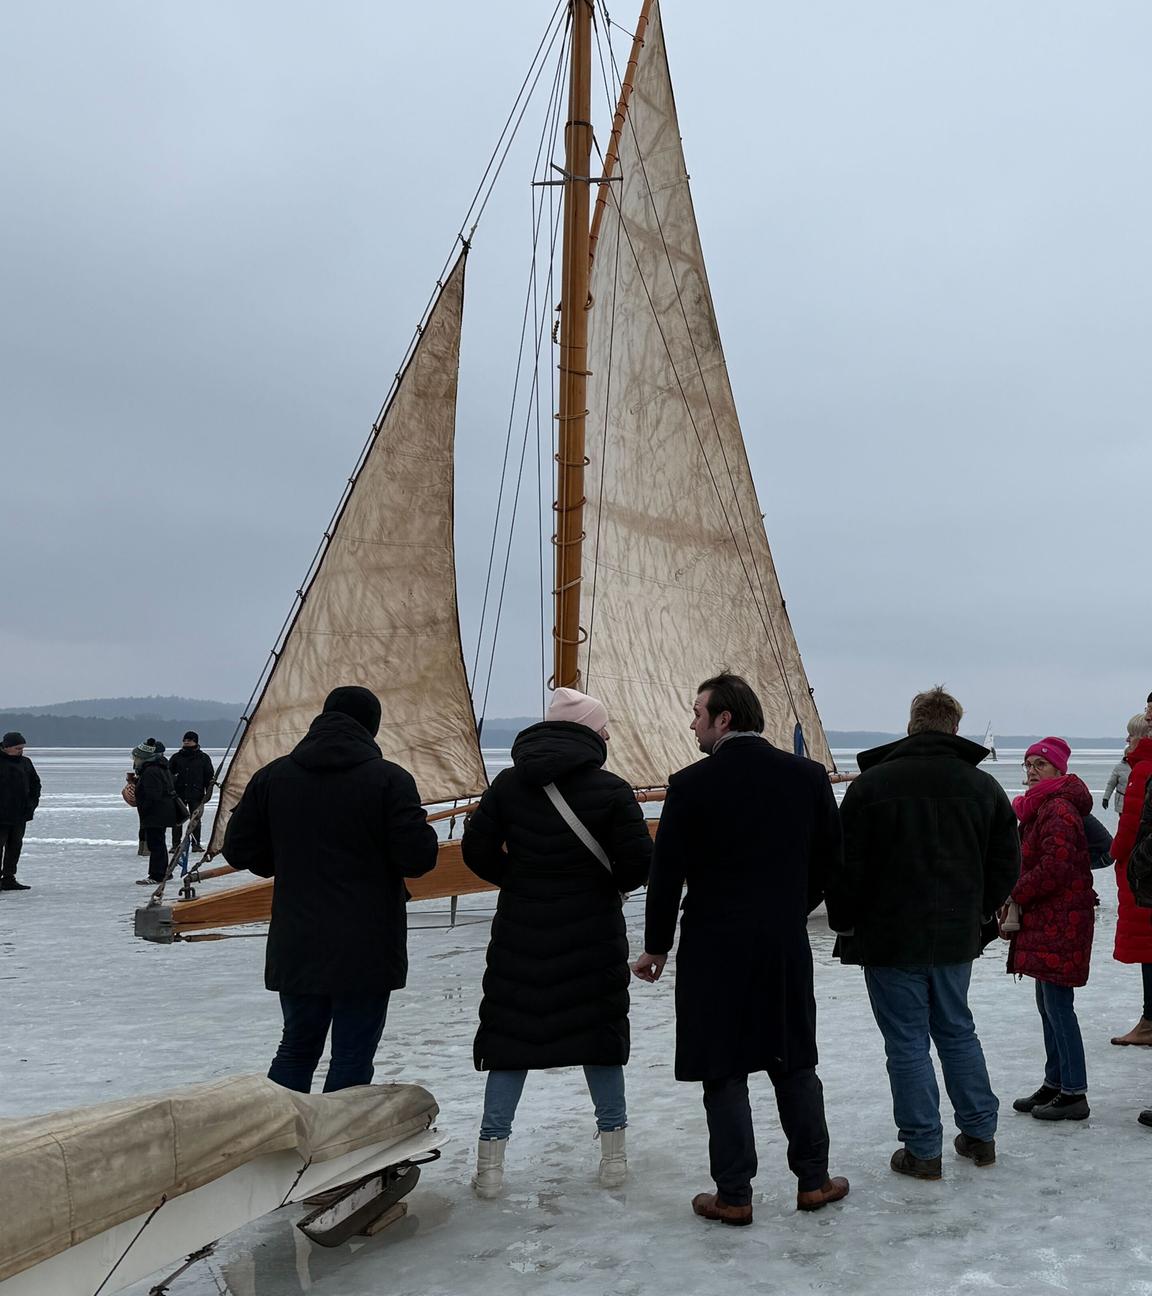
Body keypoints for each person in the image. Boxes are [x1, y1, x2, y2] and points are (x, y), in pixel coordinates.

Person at [632, 673, 848, 1226]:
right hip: (781, 942)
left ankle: (733, 1195)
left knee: (722, 1066)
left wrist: (656, 946)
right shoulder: (806, 777)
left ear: (724, 718)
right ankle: (814, 1181)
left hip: (713, 945)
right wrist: (791, 907)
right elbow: (831, 861)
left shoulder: (690, 784)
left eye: (697, 712)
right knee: (793, 1060)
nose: (692, 724)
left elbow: (666, 874)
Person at [462, 687, 651, 1197]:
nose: (608, 734)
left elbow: (476, 851)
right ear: (589, 732)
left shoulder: (507, 785)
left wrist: (519, 880)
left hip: (520, 929)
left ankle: (490, 1167)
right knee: (600, 1036)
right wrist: (602, 885)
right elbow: (638, 863)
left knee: (510, 1041)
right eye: (603, 727)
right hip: (593, 931)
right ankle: (613, 1160)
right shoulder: (612, 789)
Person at [829, 688, 1019, 1179]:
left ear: (912, 724)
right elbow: (1007, 861)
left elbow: (844, 866)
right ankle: (980, 1134)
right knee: (957, 1029)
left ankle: (923, 1149)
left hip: (889, 937)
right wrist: (979, 910)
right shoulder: (983, 787)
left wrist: (845, 920)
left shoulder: (872, 786)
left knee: (907, 1042)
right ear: (954, 728)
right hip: (955, 934)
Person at [223, 685, 437, 1093]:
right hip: (368, 941)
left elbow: (238, 849)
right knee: (352, 1057)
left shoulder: (273, 776)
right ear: (372, 727)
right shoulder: (390, 780)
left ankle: (282, 1129)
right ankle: (339, 1133)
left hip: (297, 937)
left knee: (296, 1048)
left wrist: (280, 861)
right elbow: (418, 859)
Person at [1006, 737, 1096, 1121]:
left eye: (1039, 764)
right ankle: (1055, 1081)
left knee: (1058, 1007)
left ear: (1058, 770)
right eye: (1027, 764)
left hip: (1062, 920)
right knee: (1048, 1005)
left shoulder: (1057, 808)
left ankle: (1074, 1092)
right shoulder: (1040, 806)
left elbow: (1055, 867)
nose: (1031, 771)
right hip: (1048, 919)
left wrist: (1015, 890)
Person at [1109, 717, 1152, 1046]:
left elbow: (1131, 825)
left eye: (1131, 736)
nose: (1128, 742)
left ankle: (1149, 1021)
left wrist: (1115, 853)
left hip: (1143, 874)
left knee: (1148, 949)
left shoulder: (1142, 770)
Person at [132, 739, 186, 885]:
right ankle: (163, 872)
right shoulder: (160, 767)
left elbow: (153, 795)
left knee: (156, 844)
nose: (135, 761)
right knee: (158, 842)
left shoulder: (151, 771)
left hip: (156, 813)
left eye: (137, 758)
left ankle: (157, 875)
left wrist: (141, 802)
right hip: (162, 811)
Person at [0, 732, 41, 892]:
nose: (21, 751)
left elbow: (35, 784)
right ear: (6, 747)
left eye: (22, 748)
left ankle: (9, 878)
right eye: (17, 748)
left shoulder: (25, 762)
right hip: (1, 816)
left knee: (15, 847)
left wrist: (31, 804)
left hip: (19, 814)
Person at [169, 731, 216, 851]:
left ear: (195, 741)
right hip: (179, 794)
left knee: (195, 820)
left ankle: (196, 844)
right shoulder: (176, 757)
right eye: (184, 740)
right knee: (178, 820)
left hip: (196, 793)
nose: (186, 742)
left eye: (189, 740)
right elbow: (168, 775)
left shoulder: (203, 758)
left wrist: (208, 792)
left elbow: (209, 776)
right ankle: (175, 845)